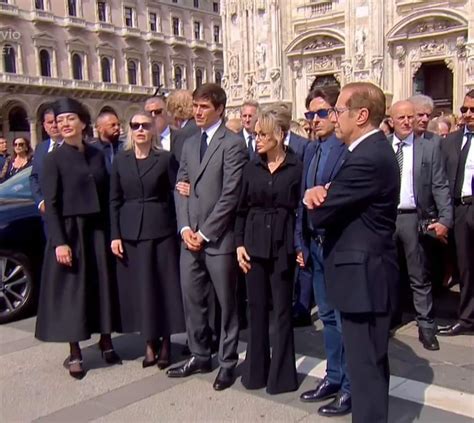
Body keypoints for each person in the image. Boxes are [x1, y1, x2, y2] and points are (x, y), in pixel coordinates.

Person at [304, 82, 399, 423]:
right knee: (366, 367)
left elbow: (321, 213)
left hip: (365, 278)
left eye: (338, 110)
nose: (334, 117)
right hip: (362, 275)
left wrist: (314, 197)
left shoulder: (368, 156)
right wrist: (324, 192)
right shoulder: (363, 152)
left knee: (366, 369)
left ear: (361, 115)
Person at [167, 83, 248, 391]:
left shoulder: (233, 143)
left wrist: (204, 232)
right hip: (190, 238)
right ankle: (200, 354)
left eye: (203, 107)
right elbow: (181, 186)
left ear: (219, 110)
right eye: (195, 106)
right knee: (193, 300)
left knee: (227, 305)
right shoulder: (189, 143)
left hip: (219, 239)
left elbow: (230, 195)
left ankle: (227, 362)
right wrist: (186, 229)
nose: (197, 111)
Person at [35, 97, 121, 380]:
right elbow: (52, 203)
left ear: (83, 122)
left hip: (96, 229)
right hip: (70, 232)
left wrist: (114, 233)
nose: (64, 125)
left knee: (102, 285)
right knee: (74, 291)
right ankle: (75, 351)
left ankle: (106, 340)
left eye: (70, 119)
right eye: (60, 121)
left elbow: (109, 195)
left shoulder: (97, 155)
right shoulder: (53, 159)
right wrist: (59, 241)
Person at [110, 111, 185, 369]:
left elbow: (176, 192)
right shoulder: (121, 160)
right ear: (129, 130)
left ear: (153, 129)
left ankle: (166, 343)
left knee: (164, 287)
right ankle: (148, 342)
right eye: (135, 125)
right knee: (142, 290)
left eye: (145, 125)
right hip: (131, 232)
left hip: (161, 230)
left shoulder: (164, 159)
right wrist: (115, 235)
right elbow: (114, 200)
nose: (140, 129)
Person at [235, 105, 302, 395]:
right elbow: (240, 210)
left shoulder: (297, 166)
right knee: (257, 309)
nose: (257, 138)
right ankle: (256, 372)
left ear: (278, 135)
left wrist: (301, 246)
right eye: (256, 133)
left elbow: (301, 209)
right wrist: (238, 245)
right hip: (253, 243)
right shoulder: (251, 166)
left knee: (283, 311)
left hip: (283, 243)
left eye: (263, 134)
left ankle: (283, 376)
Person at [297, 89, 351, 417]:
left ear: (335, 114)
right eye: (309, 115)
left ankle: (349, 386)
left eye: (320, 114)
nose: (314, 121)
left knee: (343, 320)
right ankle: (333, 377)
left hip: (336, 244)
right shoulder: (311, 150)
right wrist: (299, 243)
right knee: (327, 317)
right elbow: (299, 203)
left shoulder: (345, 151)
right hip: (314, 247)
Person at [388, 101, 452, 350]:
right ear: (391, 120)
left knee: (419, 274)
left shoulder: (428, 147)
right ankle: (389, 319)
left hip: (414, 216)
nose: (406, 121)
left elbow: (440, 184)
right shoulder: (383, 147)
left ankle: (426, 326)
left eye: (410, 117)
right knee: (387, 273)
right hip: (386, 218)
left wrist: (445, 219)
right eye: (401, 117)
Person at [438, 90, 474, 336]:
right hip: (461, 208)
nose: (467, 115)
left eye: (472, 110)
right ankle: (467, 317)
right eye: (464, 110)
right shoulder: (451, 140)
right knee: (466, 266)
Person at [29, 108, 63, 214]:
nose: (54, 125)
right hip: (48, 214)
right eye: (50, 122)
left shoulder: (74, 146)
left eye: (57, 122)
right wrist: (40, 201)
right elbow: (34, 177)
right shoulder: (40, 148)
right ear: (44, 126)